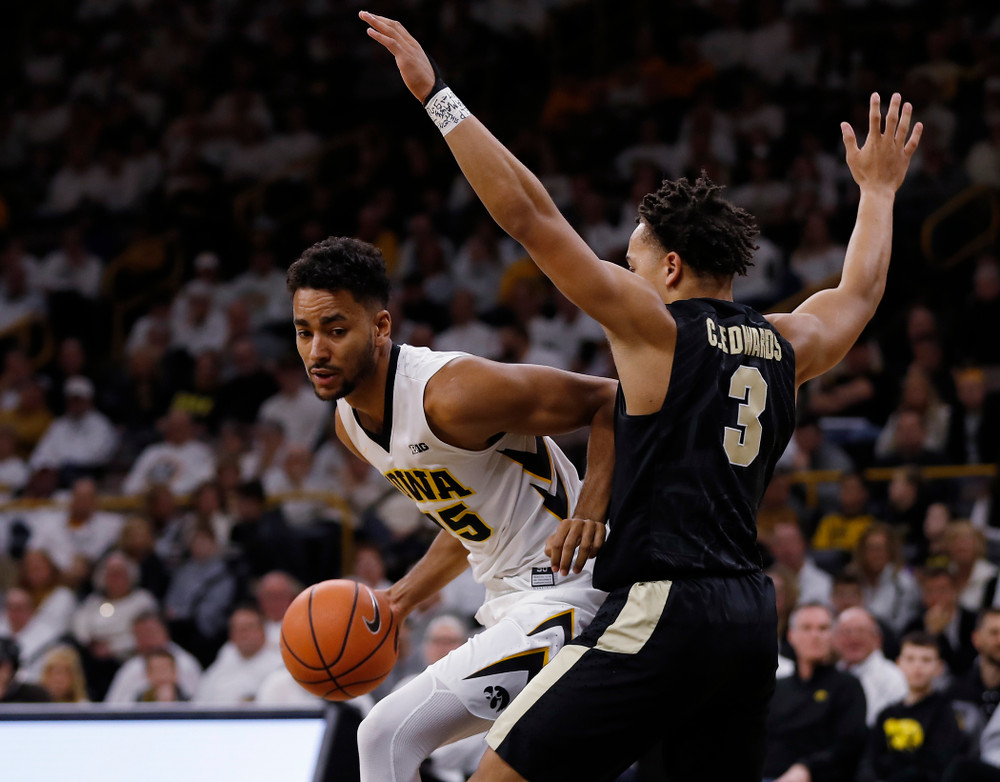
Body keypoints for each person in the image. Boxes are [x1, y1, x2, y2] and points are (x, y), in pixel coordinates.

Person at [361, 11, 921, 781]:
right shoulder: (787, 343)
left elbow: (528, 215)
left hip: (667, 608)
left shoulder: (657, 333)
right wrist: (879, 191)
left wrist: (438, 97)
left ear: (668, 269)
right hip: (753, 616)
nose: (622, 269)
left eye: (631, 258)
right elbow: (860, 291)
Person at [287, 231, 615, 782]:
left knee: (385, 734)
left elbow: (608, 399)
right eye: (304, 331)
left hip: (571, 596)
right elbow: (467, 519)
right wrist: (398, 601)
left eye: (336, 330)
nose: (317, 350)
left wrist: (591, 508)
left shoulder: (452, 393)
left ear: (381, 326)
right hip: (511, 601)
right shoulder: (349, 425)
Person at [764, 603, 869, 782]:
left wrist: (807, 768)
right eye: (806, 628)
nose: (815, 636)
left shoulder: (848, 687)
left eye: (823, 628)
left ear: (834, 636)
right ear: (791, 636)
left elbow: (848, 746)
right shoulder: (776, 688)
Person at [857, 632, 966, 782]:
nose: (917, 666)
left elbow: (936, 766)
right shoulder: (886, 713)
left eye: (926, 660)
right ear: (898, 663)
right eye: (910, 659)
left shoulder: (944, 713)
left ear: (939, 667)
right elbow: (868, 760)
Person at [833, 606, 909, 726]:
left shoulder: (892, 677)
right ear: (835, 639)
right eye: (846, 631)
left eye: (861, 631)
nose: (854, 638)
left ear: (877, 639)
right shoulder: (827, 674)